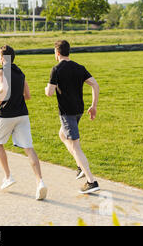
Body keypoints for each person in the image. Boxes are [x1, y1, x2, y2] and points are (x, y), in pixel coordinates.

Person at [0, 45, 47, 200]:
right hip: (22, 114)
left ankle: (8, 176)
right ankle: (40, 182)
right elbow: (27, 95)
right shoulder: (21, 73)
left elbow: (2, 89)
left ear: (2, 58)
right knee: (29, 149)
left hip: (6, 115)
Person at [45, 40, 100, 194]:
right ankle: (80, 166)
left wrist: (46, 89)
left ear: (57, 53)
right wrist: (93, 106)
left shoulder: (56, 69)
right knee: (62, 134)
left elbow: (49, 92)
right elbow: (95, 85)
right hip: (79, 110)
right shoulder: (79, 68)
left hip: (67, 112)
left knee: (75, 146)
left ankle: (91, 181)